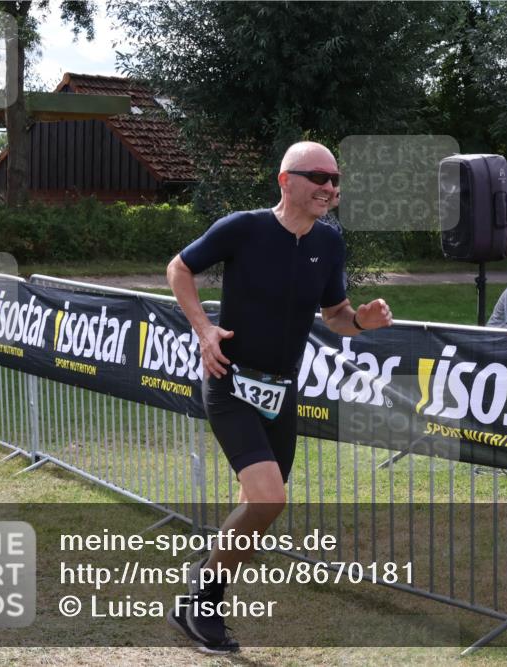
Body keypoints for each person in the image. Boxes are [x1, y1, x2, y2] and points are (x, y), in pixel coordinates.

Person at [165, 141, 393, 653]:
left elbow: (335, 314)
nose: (329, 188)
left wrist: (361, 322)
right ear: (285, 180)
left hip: (281, 389)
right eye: (318, 176)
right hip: (229, 380)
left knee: (257, 507)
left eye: (335, 180)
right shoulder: (243, 228)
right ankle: (202, 603)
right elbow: (179, 269)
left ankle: (200, 593)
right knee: (269, 497)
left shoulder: (330, 243)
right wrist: (204, 330)